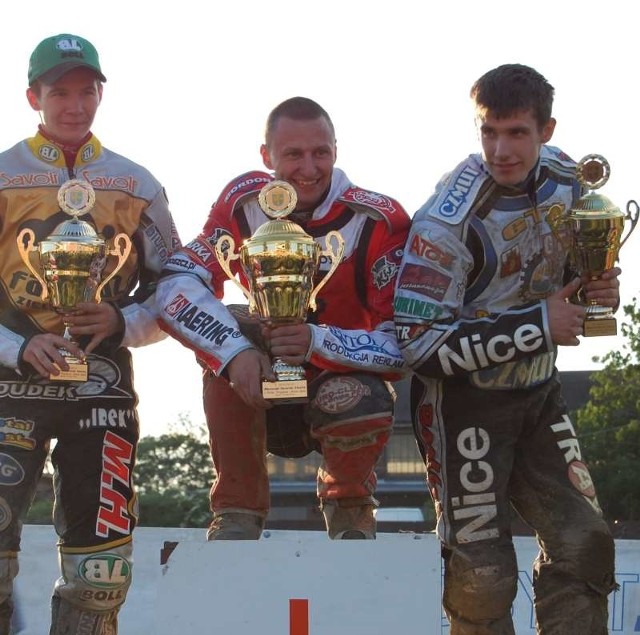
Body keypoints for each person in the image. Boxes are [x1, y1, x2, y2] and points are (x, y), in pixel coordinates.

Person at [394, 64, 618, 634]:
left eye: (517, 132)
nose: (501, 148)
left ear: (546, 129)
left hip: (539, 394)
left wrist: (596, 283)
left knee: (587, 543)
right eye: (489, 132)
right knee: (482, 574)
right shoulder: (446, 220)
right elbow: (417, 344)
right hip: (463, 404)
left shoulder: (572, 182)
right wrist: (538, 324)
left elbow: (571, 272)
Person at [156, 96, 410, 540]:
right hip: (261, 379)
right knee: (227, 332)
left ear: (336, 149)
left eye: (321, 153)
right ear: (267, 156)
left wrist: (317, 341)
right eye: (293, 154)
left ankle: (350, 503)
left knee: (362, 400)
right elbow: (175, 285)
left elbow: (405, 344)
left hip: (340, 384)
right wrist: (233, 353)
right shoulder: (241, 204)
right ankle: (237, 511)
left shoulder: (379, 219)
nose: (309, 168)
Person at [0, 34, 180, 634]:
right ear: (34, 96)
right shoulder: (2, 176)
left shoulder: (137, 184)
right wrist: (19, 346)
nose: (73, 105)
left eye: (86, 91)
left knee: (101, 577)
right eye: (59, 92)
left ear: (101, 94)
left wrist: (124, 322)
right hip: (8, 391)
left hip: (101, 390)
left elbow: (178, 290)